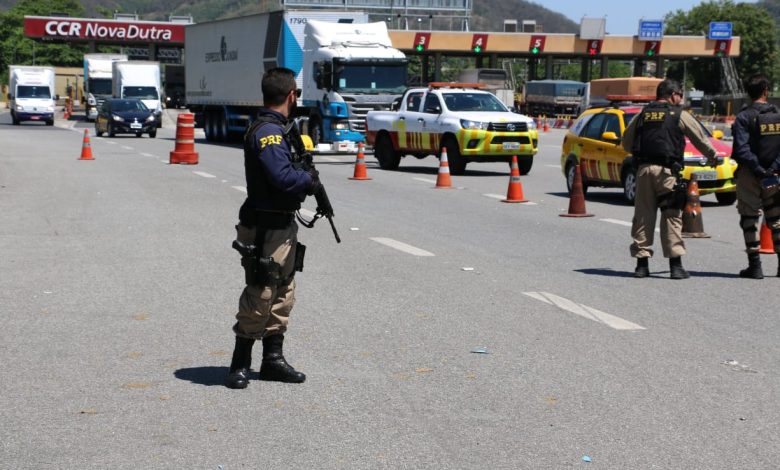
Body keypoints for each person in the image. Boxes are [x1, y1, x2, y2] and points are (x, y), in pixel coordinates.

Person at [225, 67, 319, 389]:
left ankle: (273, 360)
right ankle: (240, 362)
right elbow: (283, 178)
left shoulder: (282, 129)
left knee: (283, 291)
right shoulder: (268, 132)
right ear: (291, 95)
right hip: (264, 226)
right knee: (261, 291)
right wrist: (308, 181)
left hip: (282, 225)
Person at [621, 79, 719, 279]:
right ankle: (675, 266)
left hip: (644, 170)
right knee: (672, 215)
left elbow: (626, 143)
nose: (681, 99)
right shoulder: (678, 114)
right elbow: (699, 138)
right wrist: (712, 156)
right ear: (673, 94)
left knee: (643, 216)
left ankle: (641, 266)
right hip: (667, 173)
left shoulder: (643, 114)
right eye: (680, 95)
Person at [730, 74, 780, 279]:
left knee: (749, 219)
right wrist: (772, 169)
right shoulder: (778, 115)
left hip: (750, 175)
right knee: (776, 220)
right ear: (766, 91)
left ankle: (755, 266)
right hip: (774, 176)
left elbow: (741, 149)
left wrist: (758, 170)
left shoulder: (743, 117)